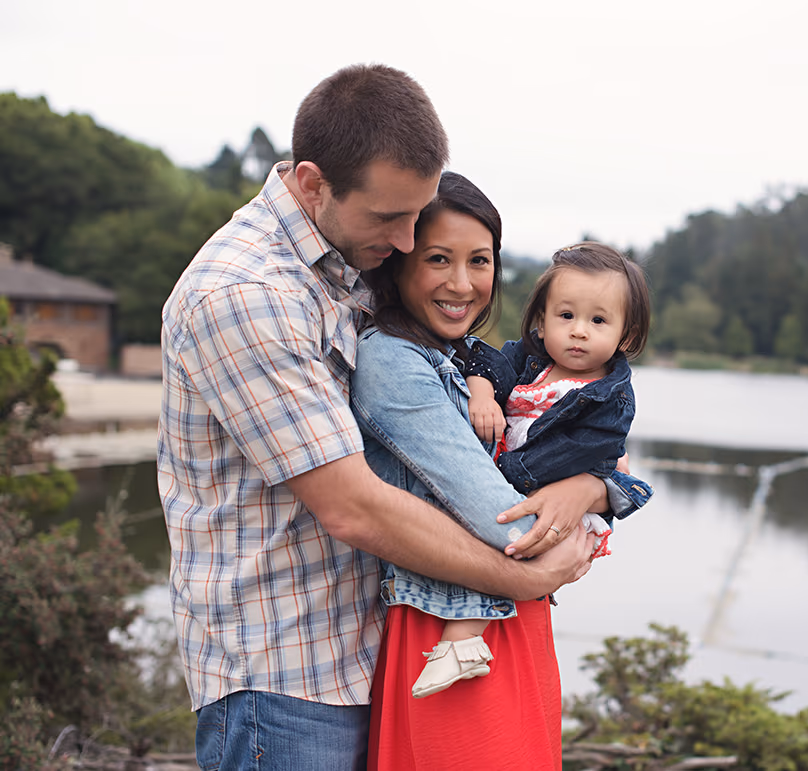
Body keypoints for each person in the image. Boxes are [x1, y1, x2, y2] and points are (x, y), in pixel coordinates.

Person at [157, 64, 599, 771]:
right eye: (389, 218)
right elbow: (354, 507)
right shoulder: (245, 295)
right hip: (284, 677)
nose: (402, 242)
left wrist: (594, 482)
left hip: (375, 655)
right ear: (311, 183)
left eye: (414, 216)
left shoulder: (343, 263)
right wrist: (522, 576)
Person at [351, 174, 652, 769]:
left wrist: (591, 488)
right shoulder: (394, 358)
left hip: (507, 609)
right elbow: (506, 517)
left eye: (480, 260)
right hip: (452, 616)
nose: (462, 282)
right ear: (398, 262)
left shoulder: (460, 358)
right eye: (438, 258)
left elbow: (590, 461)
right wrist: (586, 512)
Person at [402, 241, 653, 699]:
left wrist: (498, 474)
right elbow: (480, 359)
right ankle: (465, 637)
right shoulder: (530, 361)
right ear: (542, 319)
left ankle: (463, 641)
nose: (578, 332)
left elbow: (576, 454)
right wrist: (480, 394)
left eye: (598, 321)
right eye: (565, 316)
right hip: (514, 481)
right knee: (490, 533)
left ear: (626, 336)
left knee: (508, 539)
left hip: (549, 493)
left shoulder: (610, 399)